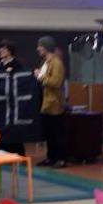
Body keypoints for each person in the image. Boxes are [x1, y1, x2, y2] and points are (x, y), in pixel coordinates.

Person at [34, 36, 67, 168]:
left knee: (57, 133)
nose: (38, 49)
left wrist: (40, 76)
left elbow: (56, 82)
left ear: (47, 47)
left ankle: (61, 158)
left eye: (40, 46)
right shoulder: (46, 62)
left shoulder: (56, 63)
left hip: (55, 105)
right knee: (49, 133)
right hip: (46, 104)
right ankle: (51, 157)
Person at [0, 39, 26, 155]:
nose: (1, 50)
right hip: (0, 103)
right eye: (0, 48)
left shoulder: (17, 64)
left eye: (3, 48)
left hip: (13, 102)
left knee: (13, 130)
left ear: (9, 50)